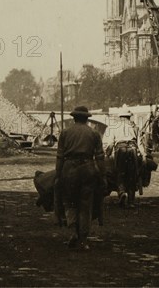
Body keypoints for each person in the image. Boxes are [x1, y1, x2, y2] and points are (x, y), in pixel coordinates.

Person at [55, 106, 105, 250]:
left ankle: (72, 232)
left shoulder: (65, 133)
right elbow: (100, 158)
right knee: (85, 205)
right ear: (87, 118)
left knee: (70, 203)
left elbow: (60, 157)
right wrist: (102, 176)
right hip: (88, 169)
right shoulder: (94, 134)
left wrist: (58, 176)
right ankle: (83, 240)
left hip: (69, 169)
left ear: (74, 118)